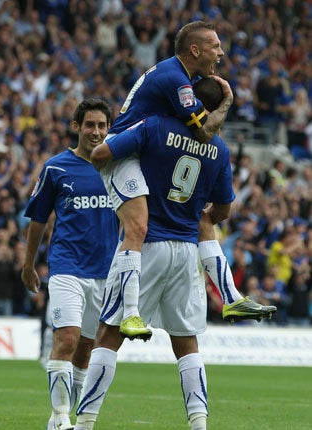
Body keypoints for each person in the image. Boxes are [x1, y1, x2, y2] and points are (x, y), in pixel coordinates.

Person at [73, 78, 277, 430]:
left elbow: (102, 154)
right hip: (187, 253)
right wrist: (198, 216)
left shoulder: (154, 126)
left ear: (190, 100)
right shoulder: (220, 149)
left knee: (108, 336)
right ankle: (199, 425)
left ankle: (84, 424)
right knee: (187, 345)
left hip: (146, 246)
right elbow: (224, 209)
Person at [94, 20, 271, 339]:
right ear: (195, 49)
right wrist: (227, 102)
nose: (221, 52)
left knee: (201, 220)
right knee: (138, 226)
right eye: (215, 46)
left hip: (148, 150)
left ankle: (231, 298)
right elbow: (204, 132)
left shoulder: (180, 76)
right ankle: (131, 313)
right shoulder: (177, 79)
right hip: (122, 151)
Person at [21, 98, 120, 430]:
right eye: (90, 125)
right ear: (77, 127)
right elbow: (37, 218)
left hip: (106, 273)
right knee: (67, 339)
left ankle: (65, 415)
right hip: (66, 268)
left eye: (102, 125)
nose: (96, 131)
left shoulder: (118, 165)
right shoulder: (56, 167)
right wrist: (28, 264)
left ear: (109, 128)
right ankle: (61, 417)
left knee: (86, 351)